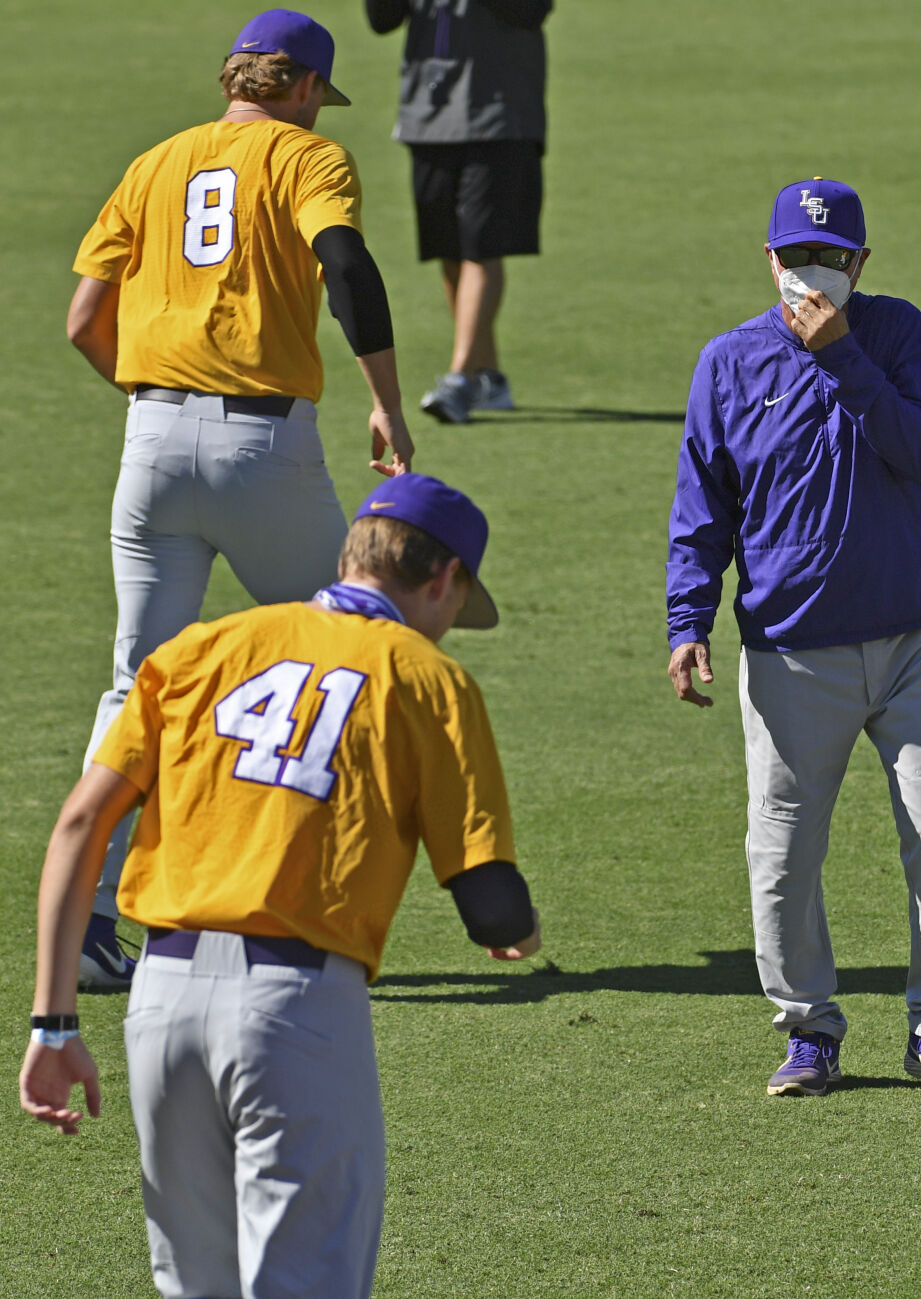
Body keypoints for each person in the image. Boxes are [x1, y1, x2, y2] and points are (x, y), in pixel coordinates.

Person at [20, 473, 538, 1299]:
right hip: (295, 1014)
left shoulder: (200, 648)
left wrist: (52, 1023)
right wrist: (517, 930)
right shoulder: (426, 676)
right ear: (444, 581)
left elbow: (80, 825)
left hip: (161, 1005)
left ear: (348, 555)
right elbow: (493, 903)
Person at [68, 9, 415, 990]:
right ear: (303, 87)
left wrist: (157, 406)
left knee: (137, 680)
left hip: (151, 447)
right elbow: (344, 266)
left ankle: (92, 922)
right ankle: (303, 902)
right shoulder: (307, 158)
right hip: (264, 447)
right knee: (341, 656)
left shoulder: (155, 162)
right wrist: (386, 403)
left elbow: (84, 318)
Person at [666, 178, 921, 1100]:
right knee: (783, 849)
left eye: (833, 260)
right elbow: (703, 508)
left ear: (861, 263)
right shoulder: (728, 363)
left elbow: (918, 448)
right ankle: (808, 1028)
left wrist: (843, 353)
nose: (814, 275)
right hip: (789, 652)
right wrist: (687, 619)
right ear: (769, 260)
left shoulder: (894, 332)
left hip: (914, 638)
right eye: (798, 258)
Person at [365, 0, 554, 424]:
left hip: (499, 115)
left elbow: (530, 11)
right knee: (449, 251)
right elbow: (381, 20)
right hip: (427, 114)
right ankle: (488, 376)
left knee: (481, 248)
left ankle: (460, 377)